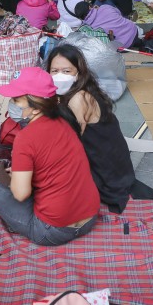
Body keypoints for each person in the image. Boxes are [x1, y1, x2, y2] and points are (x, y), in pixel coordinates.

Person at [0, 68, 100, 246]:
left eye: (16, 99)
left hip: (52, 231)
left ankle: (18, 224)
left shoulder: (25, 138)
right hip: (89, 217)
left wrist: (16, 177)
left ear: (35, 106)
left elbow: (21, 194)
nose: (11, 103)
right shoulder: (64, 121)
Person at [47, 44, 135, 212]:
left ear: (78, 73)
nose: (59, 76)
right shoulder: (73, 92)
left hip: (108, 175)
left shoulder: (79, 98)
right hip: (116, 166)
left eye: (66, 71)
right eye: (54, 71)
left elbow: (68, 145)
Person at [74, 0, 140, 49]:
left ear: (80, 18)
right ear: (89, 7)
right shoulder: (104, 7)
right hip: (132, 29)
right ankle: (140, 43)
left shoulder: (88, 28)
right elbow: (119, 13)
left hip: (122, 46)